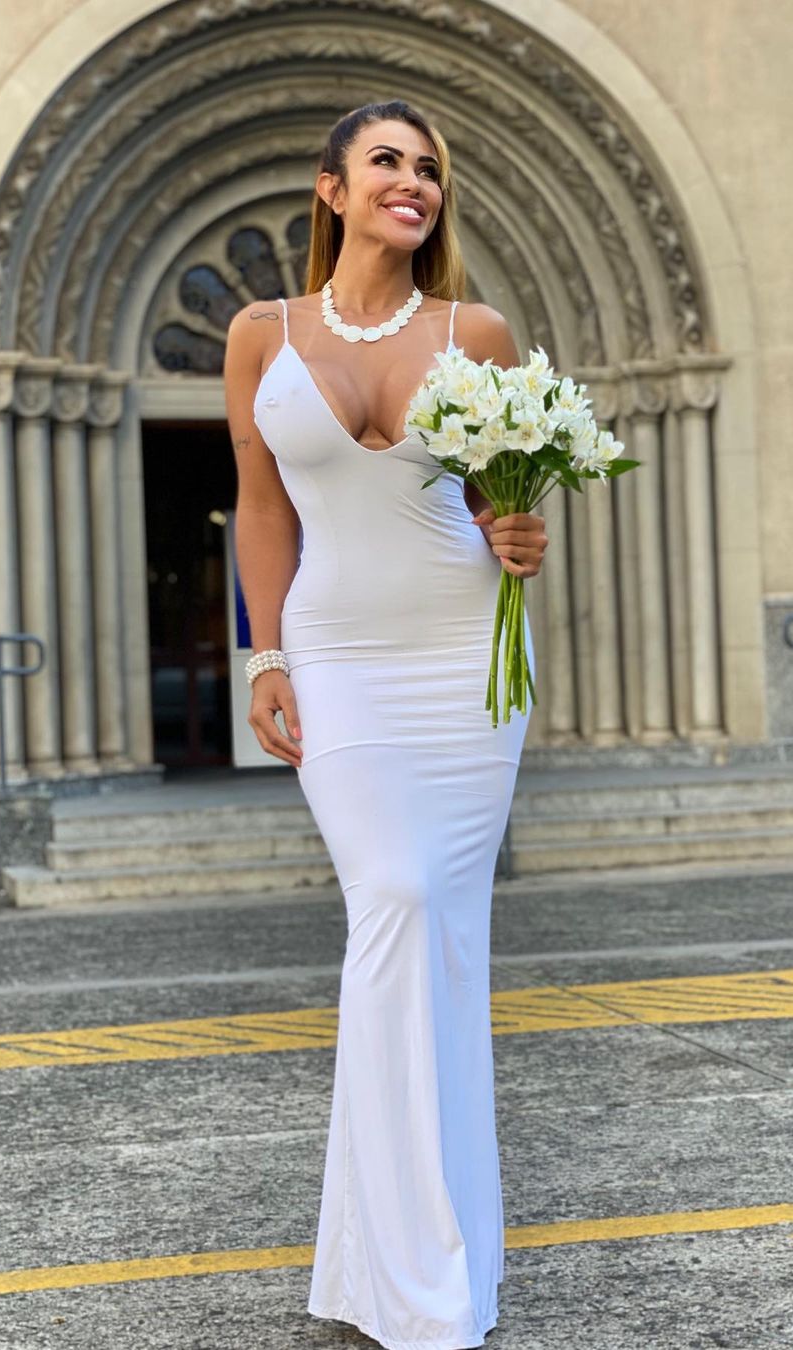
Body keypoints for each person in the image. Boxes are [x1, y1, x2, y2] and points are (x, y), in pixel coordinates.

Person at [223, 99, 548, 1350]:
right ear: (333, 188)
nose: (413, 181)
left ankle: (418, 1270)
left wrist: (520, 533)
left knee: (439, 934)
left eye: (429, 169)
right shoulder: (262, 334)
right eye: (387, 162)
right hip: (341, 657)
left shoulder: (478, 332)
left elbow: (502, 500)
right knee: (395, 900)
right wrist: (265, 655)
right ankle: (404, 1269)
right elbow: (262, 509)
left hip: (465, 655)